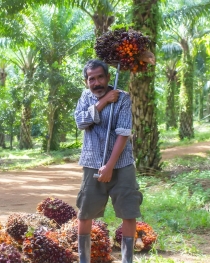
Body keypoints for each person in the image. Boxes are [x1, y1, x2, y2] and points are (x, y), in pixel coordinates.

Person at [74, 59, 143, 263]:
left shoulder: (122, 98)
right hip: (91, 161)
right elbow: (81, 122)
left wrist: (110, 166)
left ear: (108, 77)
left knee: (128, 211)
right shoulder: (86, 97)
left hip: (121, 164)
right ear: (86, 81)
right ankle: (84, 260)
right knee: (85, 212)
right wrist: (103, 102)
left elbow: (123, 133)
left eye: (100, 77)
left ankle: (127, 260)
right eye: (91, 79)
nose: (96, 83)